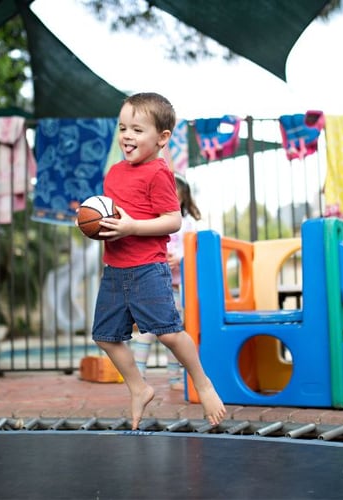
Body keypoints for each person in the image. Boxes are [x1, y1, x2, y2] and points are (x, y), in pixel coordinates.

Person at [91, 92, 226, 430]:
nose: (127, 136)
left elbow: (172, 220)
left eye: (137, 130)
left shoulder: (158, 173)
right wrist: (96, 225)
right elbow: (112, 216)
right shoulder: (113, 173)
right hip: (115, 270)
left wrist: (133, 227)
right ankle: (140, 387)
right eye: (123, 128)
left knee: (168, 333)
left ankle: (203, 383)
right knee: (105, 335)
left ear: (162, 138)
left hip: (148, 269)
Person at [132, 173, 202, 391]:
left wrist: (181, 258)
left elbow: (195, 251)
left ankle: (174, 378)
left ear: (182, 199)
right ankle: (138, 377)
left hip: (175, 288)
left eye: (175, 196)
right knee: (147, 332)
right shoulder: (153, 222)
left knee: (173, 333)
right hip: (153, 285)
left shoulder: (188, 224)